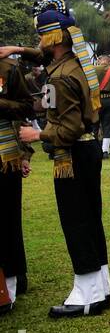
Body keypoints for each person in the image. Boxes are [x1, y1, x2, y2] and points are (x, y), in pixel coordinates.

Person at [21, 0, 110, 317]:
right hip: (88, 150)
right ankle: (100, 288)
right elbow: (40, 58)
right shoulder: (75, 64)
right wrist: (17, 50)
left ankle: (85, 294)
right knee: (91, 219)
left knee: (76, 222)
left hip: (71, 156)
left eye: (42, 37)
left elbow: (67, 128)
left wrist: (37, 134)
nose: (39, 44)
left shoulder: (59, 76)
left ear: (53, 38)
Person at [0, 46, 35, 311]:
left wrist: (25, 154)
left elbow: (26, 108)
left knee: (7, 220)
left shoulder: (9, 68)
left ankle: (8, 288)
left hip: (4, 155)